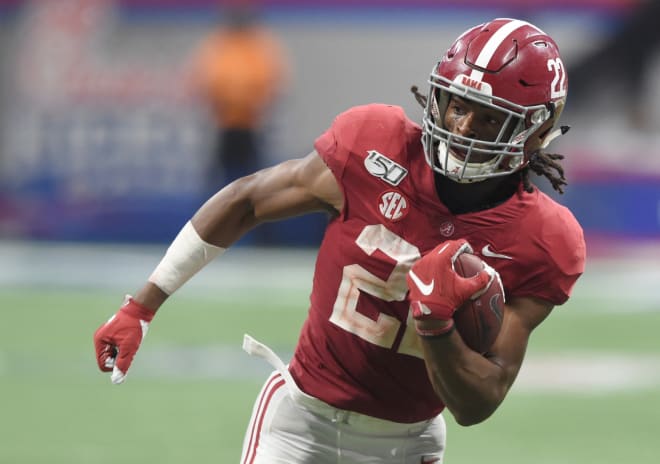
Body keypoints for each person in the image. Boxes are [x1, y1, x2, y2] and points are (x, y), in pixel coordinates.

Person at [94, 18, 586, 463]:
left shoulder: (543, 239)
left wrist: (436, 323)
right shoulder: (374, 143)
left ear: (534, 129)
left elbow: (478, 403)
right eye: (458, 105)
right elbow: (247, 201)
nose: (462, 128)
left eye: (487, 118)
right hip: (298, 424)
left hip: (408, 444)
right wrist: (142, 305)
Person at [191, 4, 289, 190]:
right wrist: (230, 98)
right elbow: (207, 81)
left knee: (256, 182)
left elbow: (270, 82)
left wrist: (244, 99)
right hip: (224, 126)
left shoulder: (260, 46)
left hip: (252, 126)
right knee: (218, 184)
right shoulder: (218, 45)